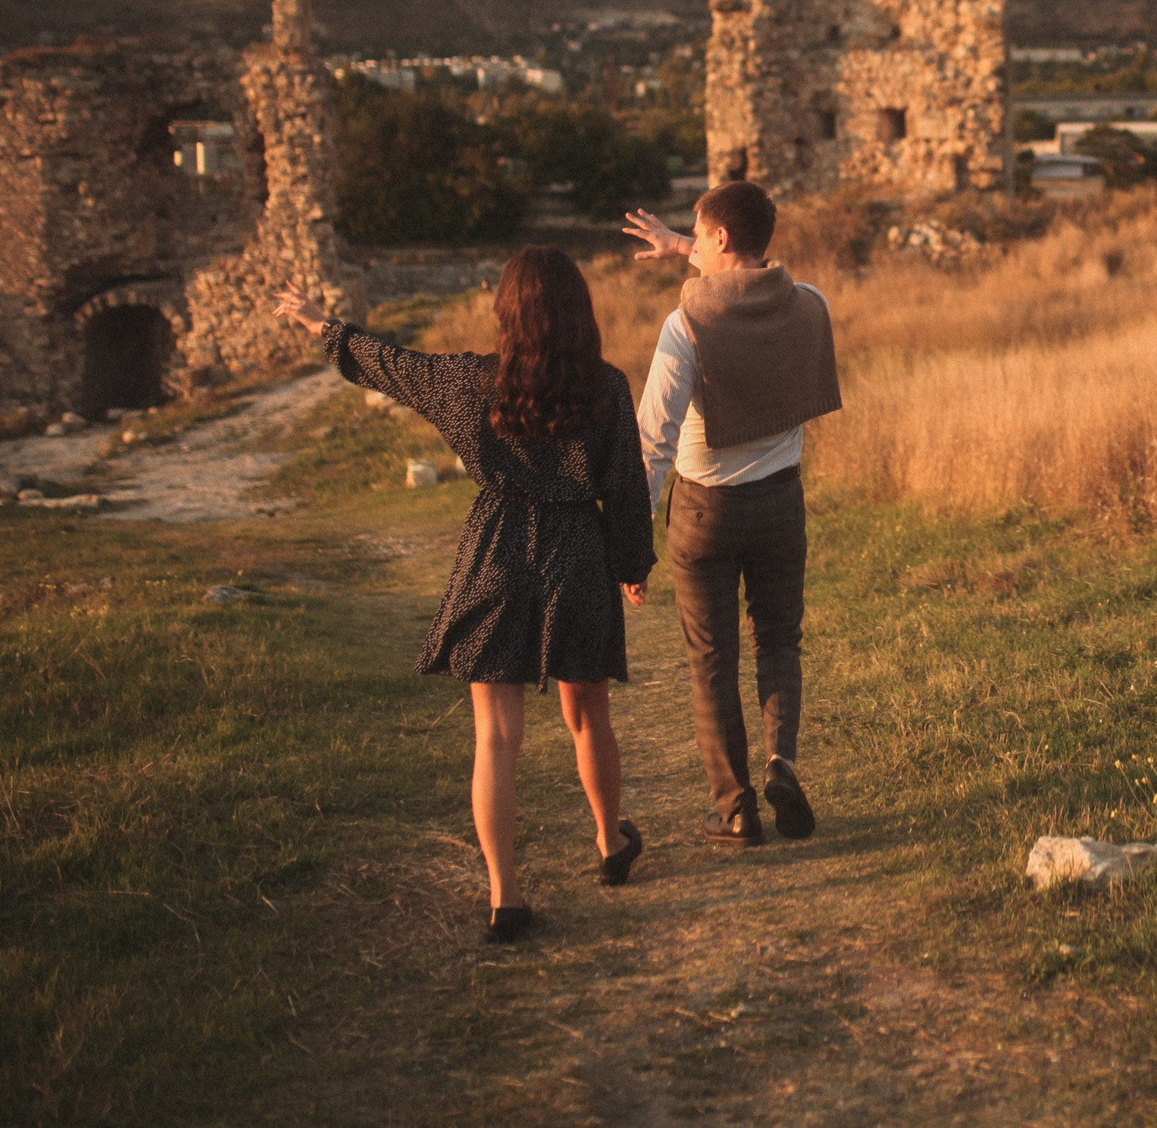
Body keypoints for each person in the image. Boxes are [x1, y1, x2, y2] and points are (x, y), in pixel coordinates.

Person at [272, 248, 655, 943]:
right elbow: (626, 485)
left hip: (497, 551)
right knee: (588, 715)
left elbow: (388, 362)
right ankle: (608, 843)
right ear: (579, 310)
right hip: (578, 551)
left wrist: (320, 324)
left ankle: (505, 897)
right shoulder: (607, 387)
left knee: (496, 737)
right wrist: (631, 564)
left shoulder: (469, 381)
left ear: (505, 310)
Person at [622, 183, 840, 845]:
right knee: (778, 640)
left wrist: (632, 543)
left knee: (711, 658)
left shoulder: (686, 325)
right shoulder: (809, 304)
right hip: (781, 498)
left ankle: (736, 806)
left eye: (697, 230)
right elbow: (743, 275)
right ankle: (782, 764)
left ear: (718, 237)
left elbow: (652, 443)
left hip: (704, 512)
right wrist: (683, 245)